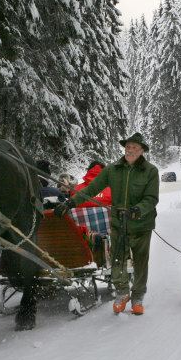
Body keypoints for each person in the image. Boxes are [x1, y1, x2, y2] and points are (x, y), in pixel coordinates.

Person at [55, 132, 159, 315]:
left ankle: (138, 297)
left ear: (142, 151)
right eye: (128, 147)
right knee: (118, 260)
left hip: (142, 225)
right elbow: (91, 189)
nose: (130, 150)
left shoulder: (151, 171)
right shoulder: (112, 170)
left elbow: (151, 198)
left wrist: (137, 210)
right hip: (119, 223)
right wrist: (70, 202)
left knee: (141, 262)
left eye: (135, 147)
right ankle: (122, 293)